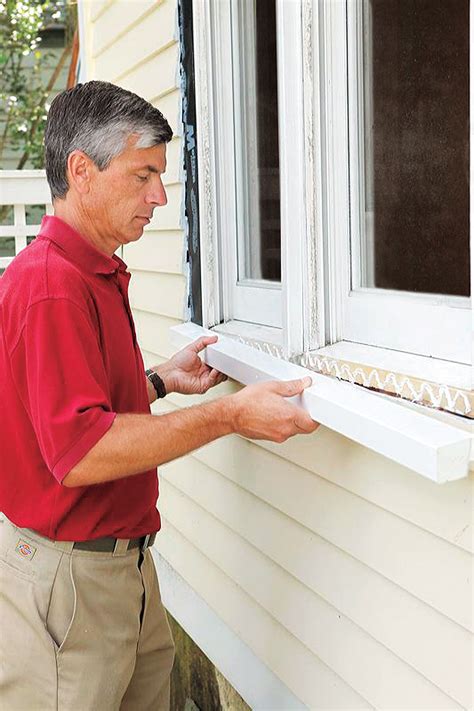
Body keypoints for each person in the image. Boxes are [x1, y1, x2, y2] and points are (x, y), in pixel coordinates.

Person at [0, 80, 318, 711]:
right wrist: (228, 414)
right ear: (82, 171)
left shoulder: (93, 271)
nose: (160, 196)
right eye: (144, 173)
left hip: (124, 569)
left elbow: (66, 410)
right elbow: (81, 452)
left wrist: (160, 381)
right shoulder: (51, 287)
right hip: (71, 583)